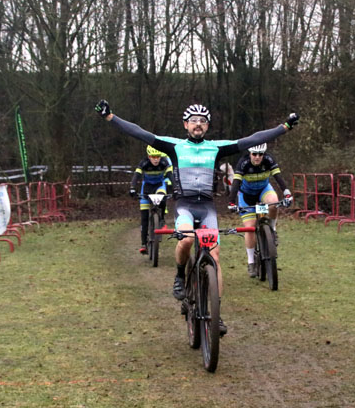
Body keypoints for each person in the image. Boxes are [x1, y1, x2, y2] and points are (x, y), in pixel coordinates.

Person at [95, 100, 299, 334]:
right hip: (185, 205)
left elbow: (253, 139)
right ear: (185, 125)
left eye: (202, 121)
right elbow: (140, 133)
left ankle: (216, 315)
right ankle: (180, 275)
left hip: (208, 208)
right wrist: (111, 117)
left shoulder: (217, 147)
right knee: (187, 240)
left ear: (207, 126)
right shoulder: (174, 146)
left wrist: (285, 127)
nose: (198, 125)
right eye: (193, 121)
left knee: (215, 256)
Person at [227, 144, 293, 277]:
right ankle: (251, 262)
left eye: (260, 154)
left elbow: (278, 178)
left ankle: (272, 231)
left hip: (263, 191)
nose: (257, 157)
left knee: (274, 203)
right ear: (250, 153)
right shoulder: (243, 163)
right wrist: (231, 202)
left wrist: (287, 193)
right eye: (254, 154)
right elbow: (235, 183)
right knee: (250, 228)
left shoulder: (269, 160)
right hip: (246, 196)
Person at [130, 145, 173, 254]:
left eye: (157, 156)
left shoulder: (164, 162)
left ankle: (162, 219)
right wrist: (132, 188)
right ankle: (144, 243)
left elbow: (170, 175)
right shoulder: (143, 162)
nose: (155, 159)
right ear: (148, 156)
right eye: (153, 156)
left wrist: (176, 188)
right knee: (144, 218)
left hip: (159, 186)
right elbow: (136, 175)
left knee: (163, 197)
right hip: (147, 188)